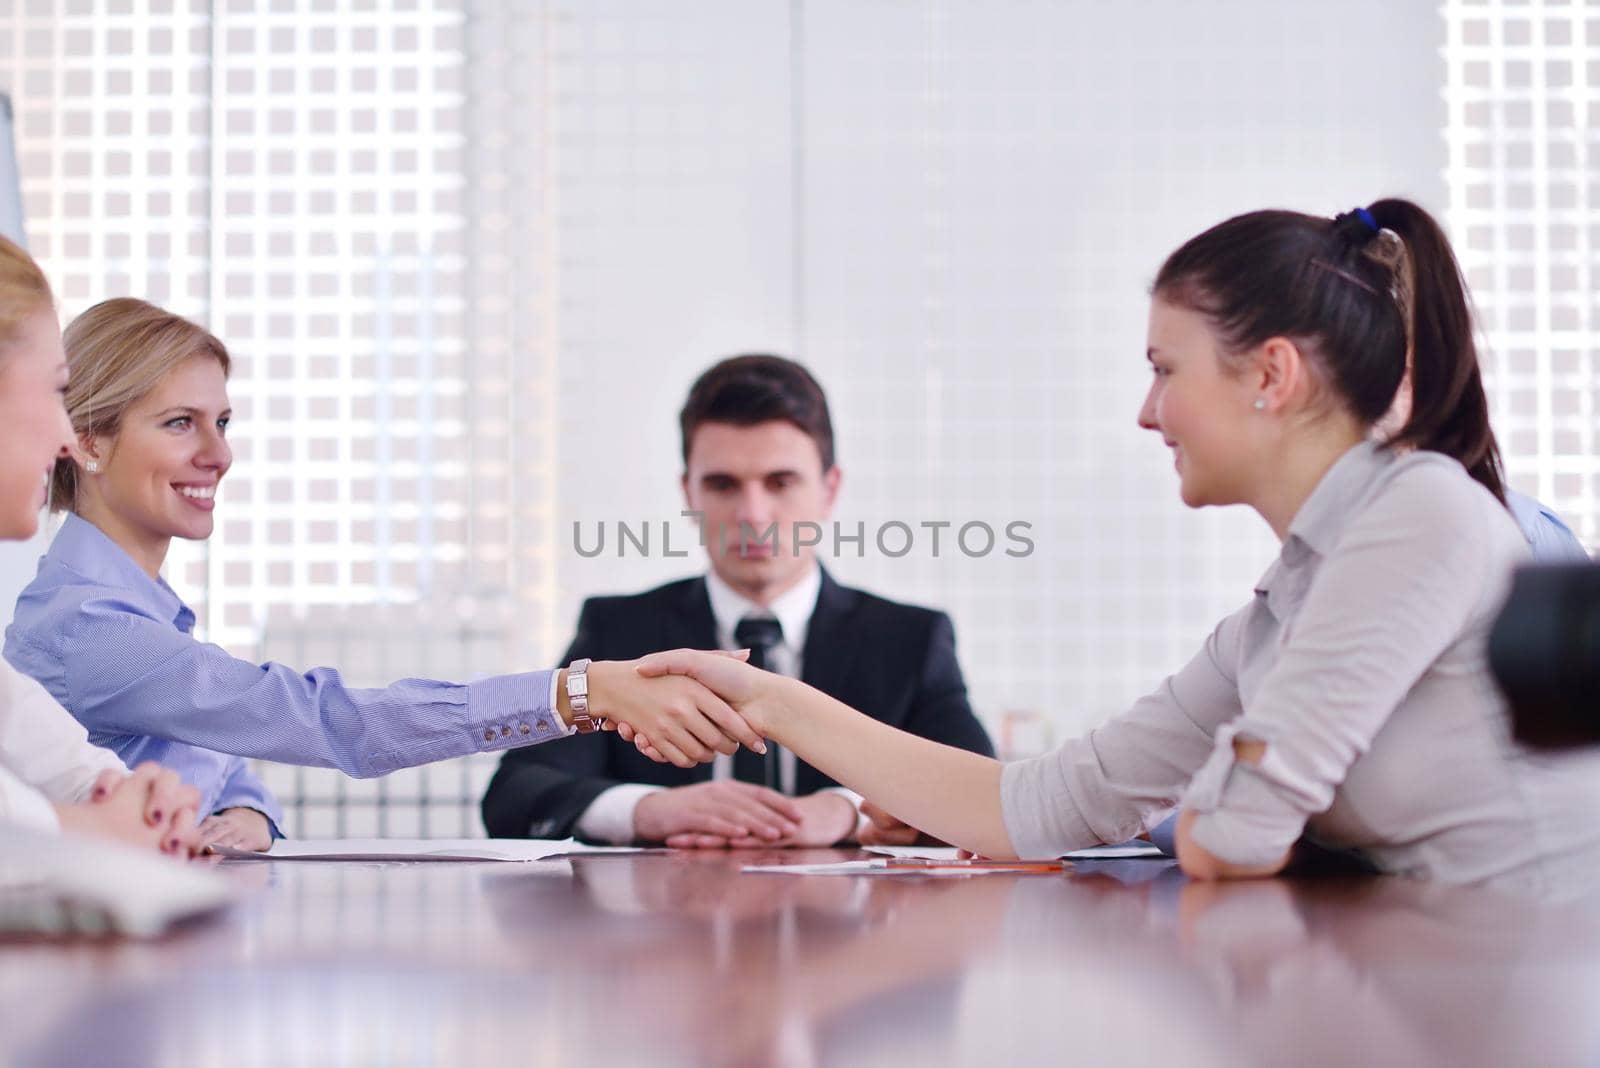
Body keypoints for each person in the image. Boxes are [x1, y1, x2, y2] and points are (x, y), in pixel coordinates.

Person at [621, 200, 1600, 889]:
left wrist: (1227, 810)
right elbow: (1046, 804)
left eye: (1164, 368)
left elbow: (1236, 837)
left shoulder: (1418, 514)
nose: (1146, 412)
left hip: (1505, 994)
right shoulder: (1289, 600)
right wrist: (773, 704)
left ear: (1270, 374)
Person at [5, 298, 765, 851]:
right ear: (89, 443)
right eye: (180, 423)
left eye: (223, 422)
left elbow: (228, 771)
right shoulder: (90, 630)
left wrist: (250, 818)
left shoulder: (140, 617)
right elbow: (329, 722)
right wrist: (580, 690)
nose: (219, 453)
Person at [481, 355, 993, 846]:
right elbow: (515, 794)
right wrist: (647, 810)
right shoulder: (620, 629)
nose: (752, 514)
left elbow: (983, 799)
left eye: (780, 482)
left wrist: (846, 808)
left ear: (829, 490)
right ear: (689, 494)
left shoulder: (910, 639)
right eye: (723, 484)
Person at [0, 236, 203, 857]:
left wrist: (134, 801)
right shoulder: (86, 620)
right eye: (56, 391)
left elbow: (51, 751)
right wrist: (89, 830)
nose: (66, 436)